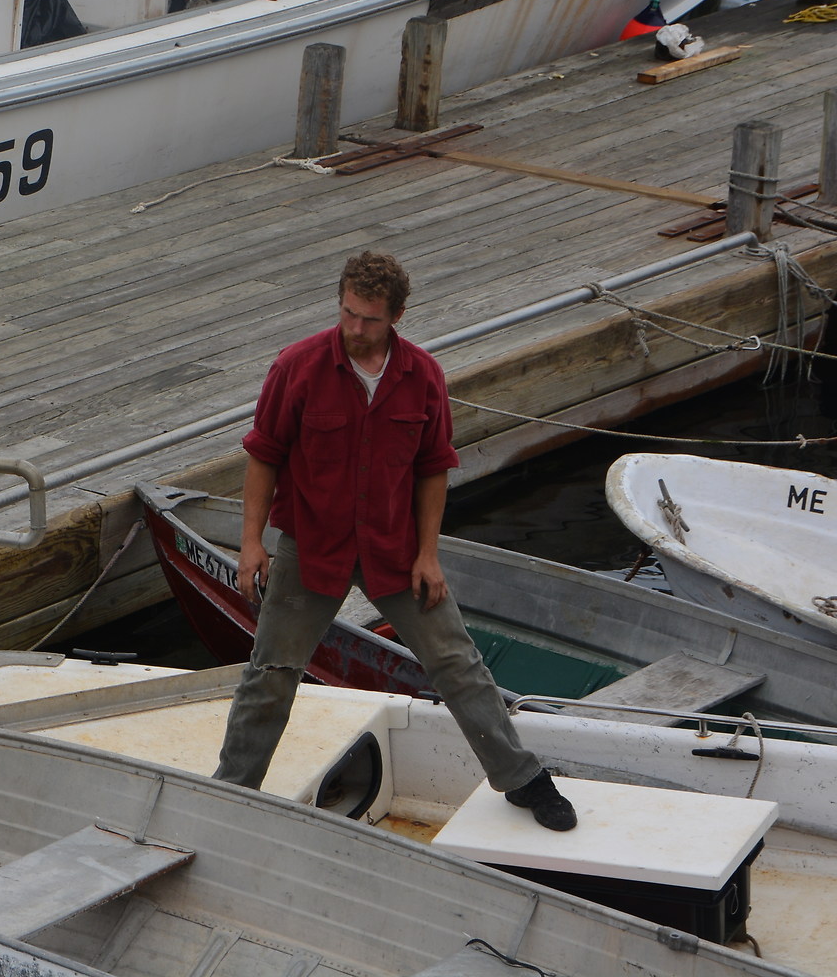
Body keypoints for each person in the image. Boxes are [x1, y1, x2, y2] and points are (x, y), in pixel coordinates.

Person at [210, 250, 577, 831]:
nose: (355, 328)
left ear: (398, 315)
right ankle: (230, 792)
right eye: (348, 314)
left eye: (370, 319)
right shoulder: (296, 367)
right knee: (271, 672)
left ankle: (522, 778)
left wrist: (428, 554)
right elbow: (264, 455)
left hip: (395, 547)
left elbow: (434, 467)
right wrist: (251, 542)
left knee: (457, 662)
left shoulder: (423, 376)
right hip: (312, 545)